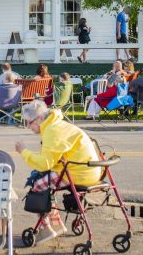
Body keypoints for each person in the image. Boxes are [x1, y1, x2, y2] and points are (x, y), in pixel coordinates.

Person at [15, 101, 102, 245]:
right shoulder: (58, 125)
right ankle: (56, 225)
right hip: (91, 170)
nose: (28, 127)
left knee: (37, 185)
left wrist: (24, 152)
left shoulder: (51, 131)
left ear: (40, 119)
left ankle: (47, 228)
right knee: (46, 182)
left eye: (29, 123)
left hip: (77, 173)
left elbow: (45, 164)